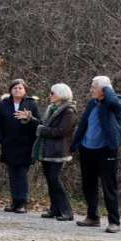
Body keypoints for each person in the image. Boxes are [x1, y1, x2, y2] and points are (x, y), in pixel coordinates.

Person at [71, 76, 121, 233]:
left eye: (94, 87)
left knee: (109, 186)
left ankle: (114, 222)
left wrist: (107, 88)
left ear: (104, 90)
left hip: (106, 150)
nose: (91, 89)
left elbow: (114, 103)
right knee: (88, 184)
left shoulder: (116, 101)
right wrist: (74, 144)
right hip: (87, 149)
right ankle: (93, 217)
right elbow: (83, 124)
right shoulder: (92, 103)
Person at [0, 78, 41, 214]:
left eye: (20, 88)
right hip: (9, 145)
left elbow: (40, 123)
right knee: (12, 174)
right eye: (15, 88)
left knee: (22, 174)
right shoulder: (4, 104)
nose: (17, 90)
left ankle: (22, 203)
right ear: (10, 90)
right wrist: (2, 140)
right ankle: (14, 202)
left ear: (25, 90)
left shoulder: (31, 104)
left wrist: (29, 119)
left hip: (26, 145)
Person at [33, 83, 78, 222]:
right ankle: (55, 209)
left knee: (55, 179)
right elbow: (43, 124)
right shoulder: (52, 108)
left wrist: (41, 130)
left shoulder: (68, 111)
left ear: (61, 94)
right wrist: (31, 119)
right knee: (50, 180)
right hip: (47, 149)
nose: (50, 95)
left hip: (58, 151)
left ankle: (67, 211)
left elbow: (61, 131)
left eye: (53, 93)